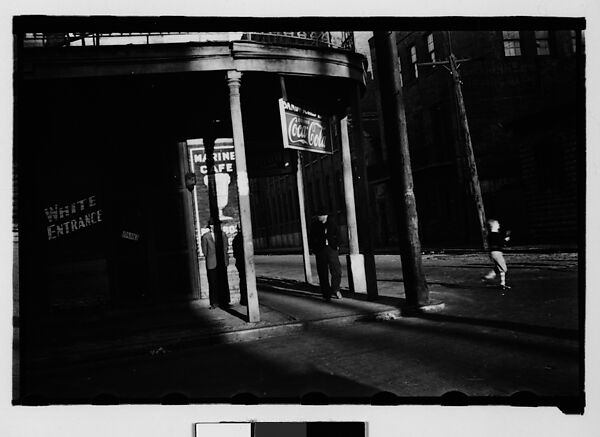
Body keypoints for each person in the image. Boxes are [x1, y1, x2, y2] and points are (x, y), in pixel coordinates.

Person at [309, 210, 342, 302]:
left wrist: (337, 245)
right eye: (318, 215)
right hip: (320, 251)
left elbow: (338, 235)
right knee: (323, 273)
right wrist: (314, 249)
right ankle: (326, 293)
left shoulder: (332, 223)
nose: (318, 217)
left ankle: (335, 289)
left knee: (336, 270)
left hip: (332, 249)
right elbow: (311, 238)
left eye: (320, 215)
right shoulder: (315, 225)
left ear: (325, 215)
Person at [200, 219, 229, 308]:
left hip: (222, 262)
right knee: (213, 283)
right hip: (211, 262)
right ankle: (214, 302)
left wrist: (225, 259)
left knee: (224, 282)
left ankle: (225, 302)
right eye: (212, 225)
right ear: (210, 227)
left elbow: (225, 247)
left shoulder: (223, 235)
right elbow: (205, 251)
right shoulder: (205, 237)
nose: (214, 227)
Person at [482, 218, 511, 292]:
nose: (499, 225)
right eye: (497, 223)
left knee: (498, 267)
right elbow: (501, 243)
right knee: (503, 268)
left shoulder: (489, 235)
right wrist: (506, 239)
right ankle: (502, 284)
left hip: (492, 253)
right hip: (497, 253)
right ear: (493, 226)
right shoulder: (496, 235)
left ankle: (489, 276)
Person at [232, 225, 247, 306]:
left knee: (242, 280)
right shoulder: (244, 238)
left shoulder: (235, 239)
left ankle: (243, 299)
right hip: (244, 261)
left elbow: (235, 253)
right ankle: (246, 299)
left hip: (239, 262)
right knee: (246, 280)